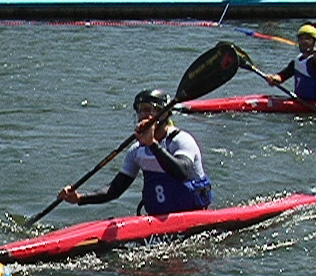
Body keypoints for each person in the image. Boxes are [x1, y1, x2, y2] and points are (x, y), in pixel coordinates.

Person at [58, 89, 212, 216]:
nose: (143, 115)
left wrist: (152, 144)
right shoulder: (137, 151)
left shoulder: (181, 140)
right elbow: (114, 190)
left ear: (164, 114)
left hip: (192, 215)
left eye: (148, 110)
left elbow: (182, 172)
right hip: (157, 218)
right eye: (140, 110)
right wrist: (79, 198)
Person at [265, 23, 316, 106]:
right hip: (300, 101)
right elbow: (283, 75)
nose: (304, 42)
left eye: (307, 39)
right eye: (301, 39)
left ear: (314, 41)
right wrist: (273, 79)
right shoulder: (297, 61)